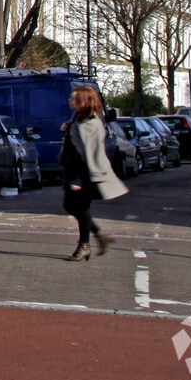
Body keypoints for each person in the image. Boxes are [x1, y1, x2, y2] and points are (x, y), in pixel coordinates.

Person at [60, 85, 127, 260]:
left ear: (84, 101)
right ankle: (97, 236)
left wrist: (78, 179)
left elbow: (86, 154)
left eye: (74, 98)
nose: (70, 101)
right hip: (73, 169)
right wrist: (68, 128)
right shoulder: (79, 118)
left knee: (77, 207)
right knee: (74, 206)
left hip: (82, 172)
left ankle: (86, 244)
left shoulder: (91, 123)